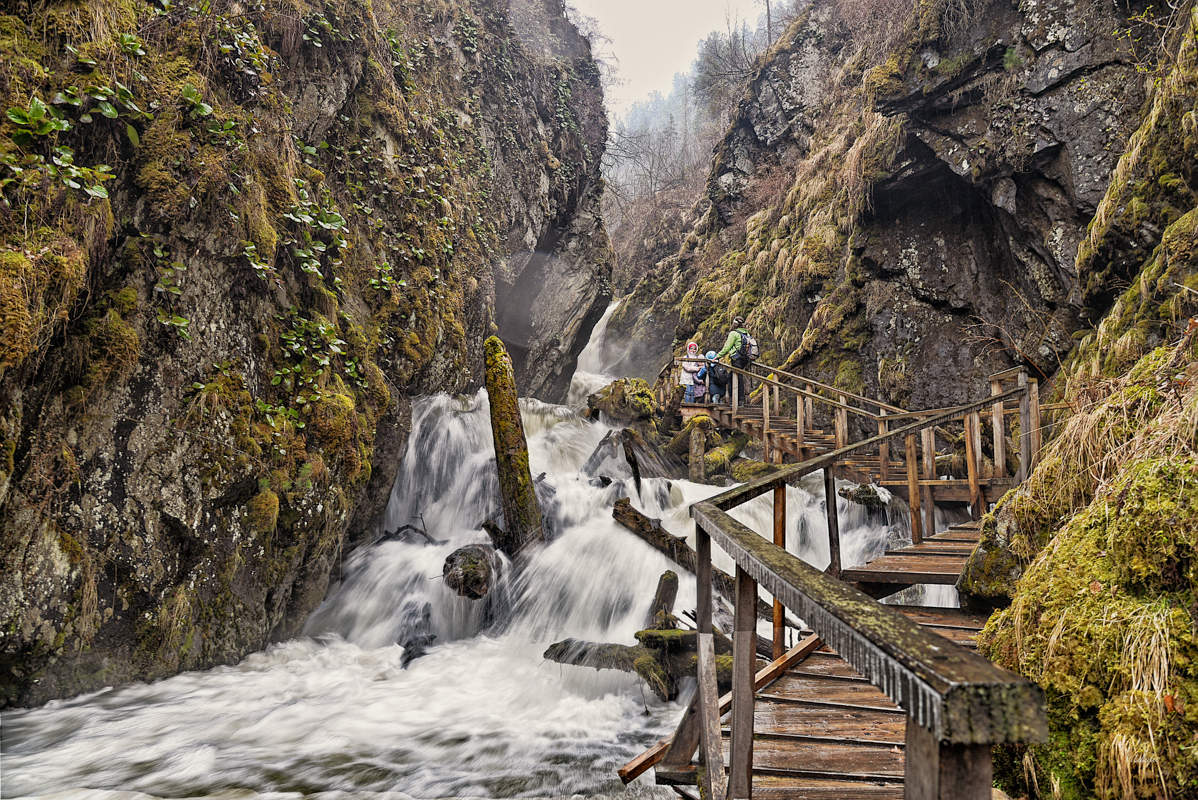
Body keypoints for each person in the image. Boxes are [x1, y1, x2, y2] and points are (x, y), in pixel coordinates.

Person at [715, 316, 755, 402]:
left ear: (734, 324)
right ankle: (737, 399)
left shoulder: (733, 333)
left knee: (738, 378)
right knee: (733, 377)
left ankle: (739, 400)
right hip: (745, 359)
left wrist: (717, 356)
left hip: (736, 358)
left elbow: (727, 347)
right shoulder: (746, 333)